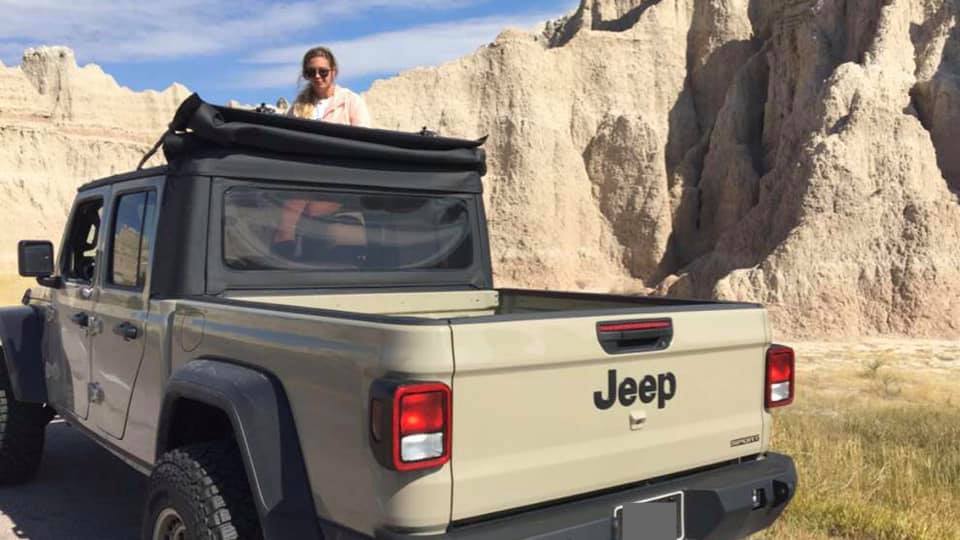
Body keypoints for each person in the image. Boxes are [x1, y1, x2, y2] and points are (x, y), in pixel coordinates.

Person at [288, 46, 371, 127]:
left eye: (323, 71)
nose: (317, 76)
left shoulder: (351, 101)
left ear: (333, 72)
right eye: (311, 72)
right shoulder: (297, 108)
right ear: (306, 75)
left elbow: (362, 137)